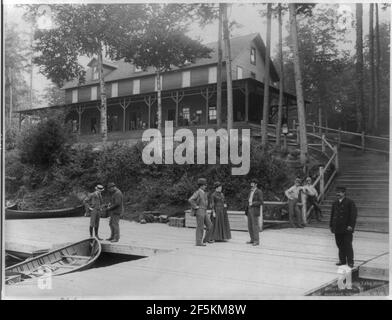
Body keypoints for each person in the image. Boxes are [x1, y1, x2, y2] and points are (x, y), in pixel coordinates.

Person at [330, 186, 357, 268]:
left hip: (346, 228)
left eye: (340, 192)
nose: (338, 194)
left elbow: (353, 215)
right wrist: (331, 225)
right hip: (337, 228)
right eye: (337, 192)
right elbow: (332, 215)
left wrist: (351, 226)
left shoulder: (350, 202)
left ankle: (350, 262)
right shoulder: (335, 203)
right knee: (339, 245)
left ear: (344, 193)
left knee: (347, 245)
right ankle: (342, 260)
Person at [188, 178, 212, 246]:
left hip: (204, 210)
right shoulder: (198, 192)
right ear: (201, 186)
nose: (205, 186)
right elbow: (191, 200)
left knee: (210, 225)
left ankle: (206, 240)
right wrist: (195, 206)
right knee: (200, 227)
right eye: (204, 185)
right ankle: (198, 242)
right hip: (200, 211)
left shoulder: (204, 193)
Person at [245, 178, 263, 246]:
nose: (251, 185)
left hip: (254, 209)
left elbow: (261, 202)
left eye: (253, 184)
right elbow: (248, 200)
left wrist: (253, 203)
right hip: (249, 209)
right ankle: (252, 239)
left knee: (255, 226)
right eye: (251, 184)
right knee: (249, 225)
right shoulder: (250, 191)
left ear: (256, 184)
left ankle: (256, 241)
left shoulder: (259, 191)